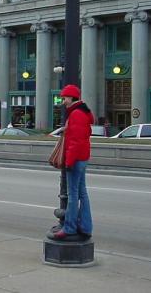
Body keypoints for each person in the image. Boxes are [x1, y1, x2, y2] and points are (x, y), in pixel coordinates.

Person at [53, 84, 94, 240]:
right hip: (83, 157)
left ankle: (69, 228)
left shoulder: (76, 114)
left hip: (76, 159)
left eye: (64, 98)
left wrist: (68, 162)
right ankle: (86, 227)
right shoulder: (83, 113)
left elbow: (75, 142)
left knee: (73, 195)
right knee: (82, 193)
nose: (63, 101)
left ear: (71, 98)